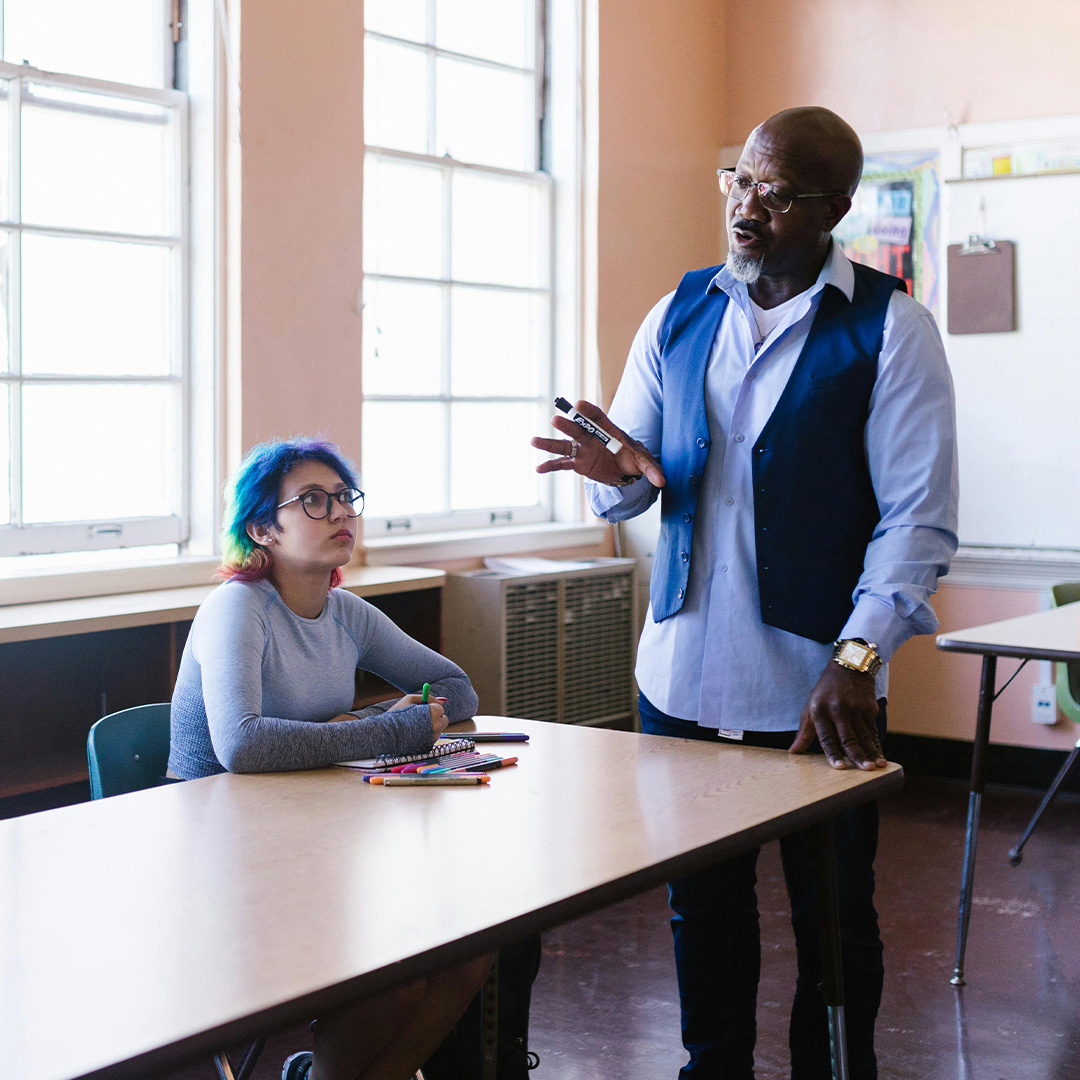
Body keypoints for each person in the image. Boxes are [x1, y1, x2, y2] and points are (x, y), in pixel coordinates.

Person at [531, 107, 958, 1079]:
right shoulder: (678, 312)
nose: (747, 206)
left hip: (818, 692)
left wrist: (858, 657)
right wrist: (620, 475)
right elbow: (637, 482)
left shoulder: (890, 328)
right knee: (703, 913)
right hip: (679, 681)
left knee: (837, 922)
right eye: (740, 181)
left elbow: (916, 521)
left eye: (776, 191)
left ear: (833, 210)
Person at [168, 436, 490, 1080]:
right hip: (222, 857)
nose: (340, 512)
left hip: (314, 835)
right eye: (312, 501)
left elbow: (457, 689)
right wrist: (387, 731)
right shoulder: (238, 608)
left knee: (469, 955)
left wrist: (371, 720)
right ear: (263, 527)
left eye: (344, 497)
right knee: (390, 979)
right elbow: (242, 745)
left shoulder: (346, 612)